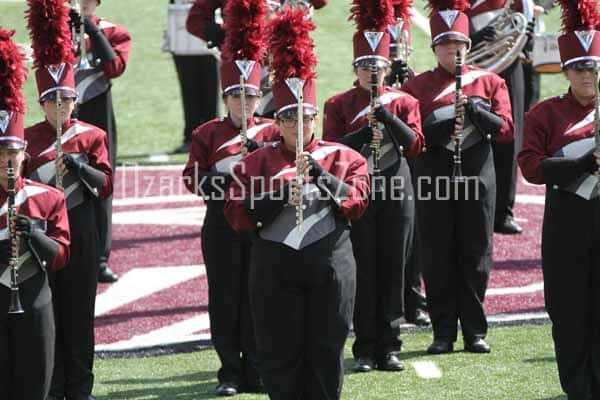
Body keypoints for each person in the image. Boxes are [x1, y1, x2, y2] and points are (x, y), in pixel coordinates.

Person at [224, 6, 370, 399]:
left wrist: (320, 177)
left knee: (326, 353)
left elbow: (356, 203)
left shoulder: (345, 158)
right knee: (278, 354)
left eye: (304, 117)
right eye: (288, 118)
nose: (297, 126)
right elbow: (236, 215)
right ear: (278, 120)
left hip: (330, 267)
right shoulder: (256, 161)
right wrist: (276, 198)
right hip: (274, 266)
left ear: (314, 118)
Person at [402, 0, 514, 354]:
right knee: (437, 253)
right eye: (446, 45)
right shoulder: (417, 87)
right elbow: (412, 137)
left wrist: (479, 113)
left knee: (476, 251)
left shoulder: (491, 82)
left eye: (460, 44)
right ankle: (443, 331)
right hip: (434, 177)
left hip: (478, 178)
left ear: (468, 46)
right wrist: (446, 122)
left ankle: (475, 330)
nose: (454, 51)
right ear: (435, 48)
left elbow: (507, 130)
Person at [182, 0, 279, 395]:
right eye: (236, 97)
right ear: (226, 98)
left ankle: (257, 368)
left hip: (260, 224)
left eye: (250, 97)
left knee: (258, 296)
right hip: (220, 224)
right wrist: (224, 185)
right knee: (225, 297)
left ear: (260, 98)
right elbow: (193, 177)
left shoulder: (273, 132)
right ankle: (229, 372)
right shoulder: (207, 133)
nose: (243, 104)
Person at [323, 0, 424, 373]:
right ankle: (364, 346)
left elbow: (415, 145)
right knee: (363, 266)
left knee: (394, 267)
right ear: (355, 69)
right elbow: (330, 151)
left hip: (397, 189)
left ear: (387, 68)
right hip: (360, 190)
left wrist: (387, 117)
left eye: (377, 66)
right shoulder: (339, 103)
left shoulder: (405, 101)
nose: (371, 72)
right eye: (364, 67)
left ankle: (391, 344)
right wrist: (365, 130)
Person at [25, 3, 113, 398]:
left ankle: (80, 385)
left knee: (79, 313)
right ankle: (51, 383)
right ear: (41, 102)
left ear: (75, 101)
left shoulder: (91, 136)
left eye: (66, 99)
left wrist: (79, 165)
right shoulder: (26, 139)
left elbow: (105, 185)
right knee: (47, 314)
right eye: (52, 100)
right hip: (40, 234)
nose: (60, 107)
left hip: (81, 229)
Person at [518, 0, 600, 397]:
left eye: (595, 67)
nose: (589, 75)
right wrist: (584, 161)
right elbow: (530, 168)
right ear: (566, 70)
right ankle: (578, 386)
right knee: (569, 312)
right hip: (568, 225)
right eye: (581, 67)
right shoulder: (545, 114)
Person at [0, 28, 71, 400]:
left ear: (24, 154)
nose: (6, 163)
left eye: (12, 155)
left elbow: (61, 257)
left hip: (34, 300)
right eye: (0, 157)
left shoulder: (48, 198)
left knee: (34, 386)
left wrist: (32, 233)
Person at [70, 0, 131, 283]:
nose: (80, 4)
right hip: (66, 113)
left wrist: (91, 30)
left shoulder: (113, 31)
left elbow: (115, 67)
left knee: (101, 181)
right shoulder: (56, 30)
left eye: (86, 0)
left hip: (98, 109)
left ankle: (100, 258)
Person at [467, 0, 526, 234]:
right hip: (471, 66)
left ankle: (502, 211)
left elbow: (524, 19)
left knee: (509, 135)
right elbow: (443, 32)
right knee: (470, 134)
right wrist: (473, 39)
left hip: (509, 63)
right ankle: (470, 205)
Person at [171, 0, 220, 155]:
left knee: (211, 91)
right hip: (181, 31)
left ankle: (213, 137)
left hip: (211, 33)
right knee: (188, 89)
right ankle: (191, 137)